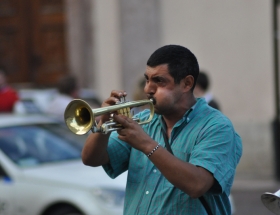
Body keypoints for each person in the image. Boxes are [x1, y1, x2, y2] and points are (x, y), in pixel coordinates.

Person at [81, 45, 242, 214]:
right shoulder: (143, 121)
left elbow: (198, 185)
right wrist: (103, 124)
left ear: (187, 84)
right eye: (147, 80)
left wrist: (147, 145)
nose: (147, 89)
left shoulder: (216, 126)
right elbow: (91, 159)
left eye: (159, 81)